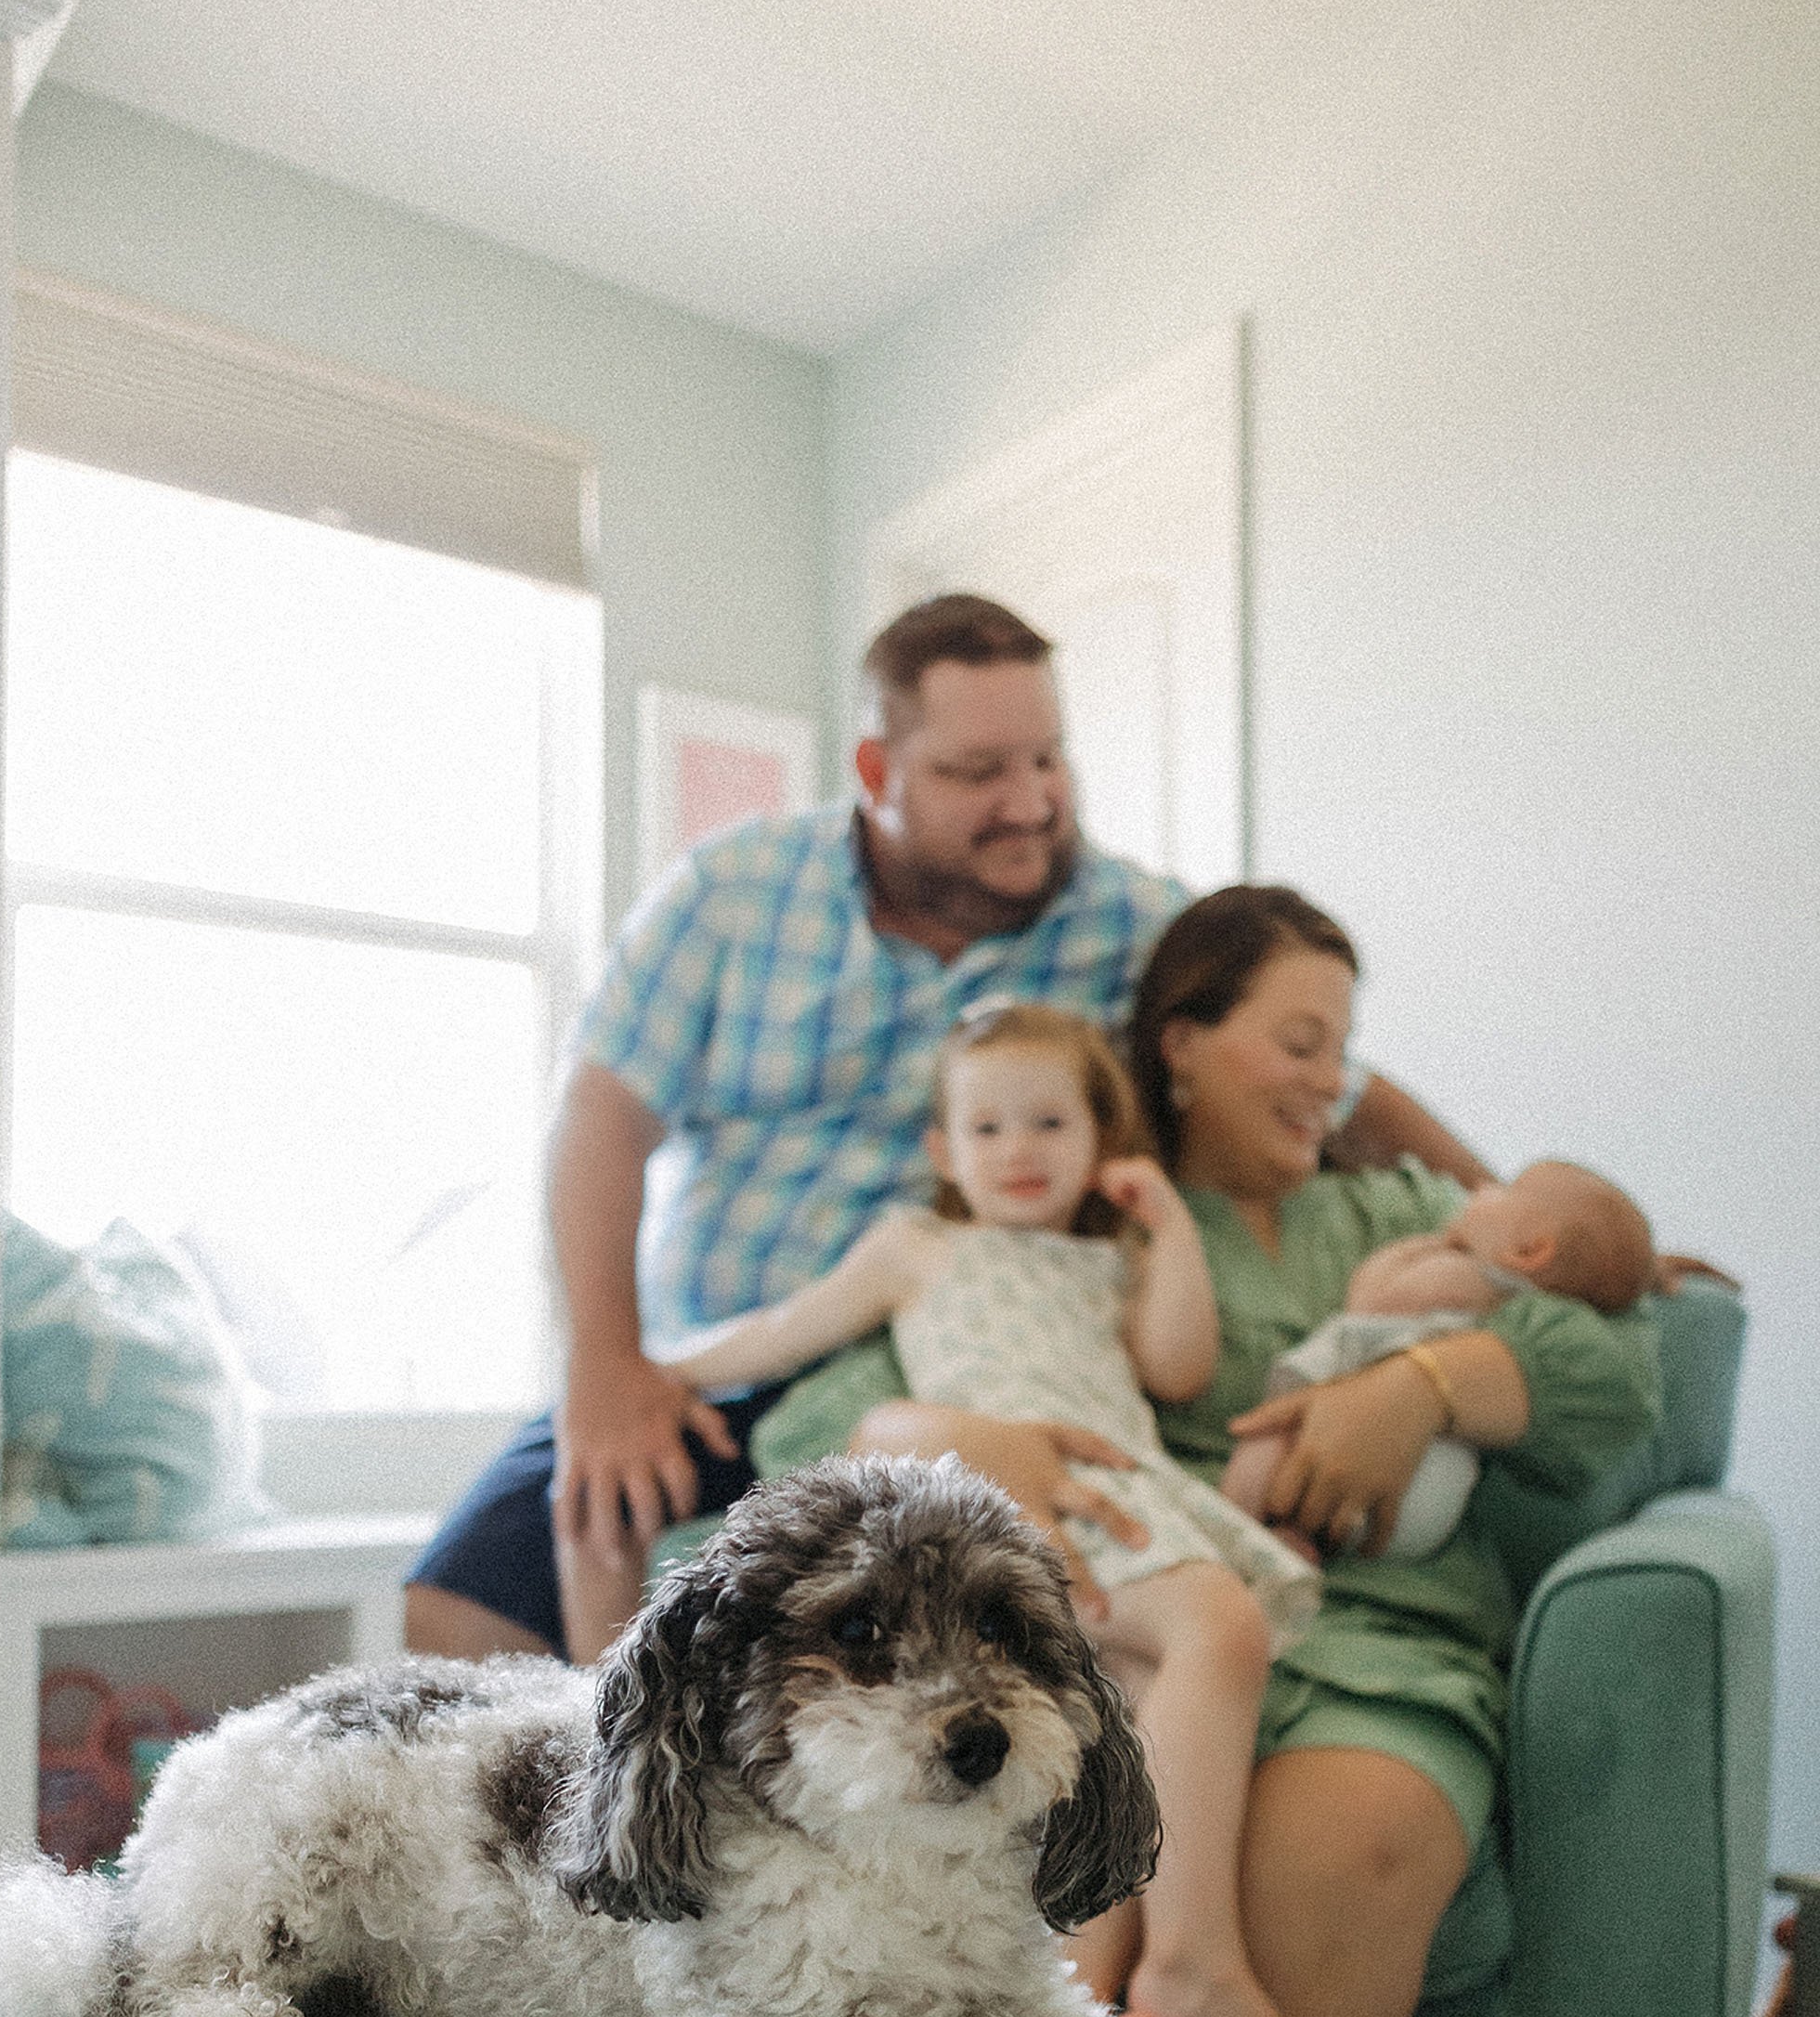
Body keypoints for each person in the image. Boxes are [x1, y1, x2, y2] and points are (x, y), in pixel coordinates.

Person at [406, 597, 1488, 1667]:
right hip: (728, 1353)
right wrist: (604, 1363)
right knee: (458, 1617)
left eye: (1048, 761)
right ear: (879, 775)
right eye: (979, 774)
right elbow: (600, 1115)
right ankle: (607, 1818)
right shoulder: (732, 893)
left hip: (946, 1362)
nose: (1030, 804)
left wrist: (1512, 1211)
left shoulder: (1129, 923)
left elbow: (1326, 1082)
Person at [744, 884, 1662, 2017]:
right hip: (1154, 1634)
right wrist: (934, 1431)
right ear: (1181, 1044)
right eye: (1299, 1043)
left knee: (1338, 1855)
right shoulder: (1087, 1214)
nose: (1332, 1081)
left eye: (1343, 1049)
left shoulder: (1411, 1216)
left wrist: (1426, 1386)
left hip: (1378, 1647)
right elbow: (815, 1419)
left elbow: (1625, 1378)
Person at [644, 998, 1345, 2017]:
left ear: (1096, 1140)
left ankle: (1085, 1988)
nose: (1018, 1150)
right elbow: (780, 1332)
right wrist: (646, 1366)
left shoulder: (1100, 1257)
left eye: (1048, 1122)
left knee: (1124, 1716)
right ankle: (1196, 1961)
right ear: (942, 1152)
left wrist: (1165, 1225)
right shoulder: (916, 1247)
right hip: (1000, 1515)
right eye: (987, 1129)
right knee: (1221, 1626)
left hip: (1122, 1489)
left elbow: (1179, 1366)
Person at [1220, 1159, 1656, 1560]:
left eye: (1502, 1188)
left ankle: (1248, 1544)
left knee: (1257, 1461)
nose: (1480, 1187)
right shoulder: (1514, 1302)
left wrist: (1432, 1245)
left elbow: (1374, 1298)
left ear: (1529, 1251)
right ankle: (1296, 1548)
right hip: (1435, 1489)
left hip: (1385, 1466)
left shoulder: (1466, 1275)